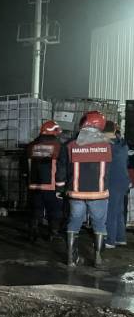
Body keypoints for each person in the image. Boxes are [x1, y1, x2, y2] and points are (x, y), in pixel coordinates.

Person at [61, 111, 112, 268]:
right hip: (99, 194)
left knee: (74, 222)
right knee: (99, 225)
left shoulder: (69, 145)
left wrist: (59, 188)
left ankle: (71, 259)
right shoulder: (107, 146)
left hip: (76, 194)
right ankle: (97, 258)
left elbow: (62, 170)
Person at [26, 120, 67, 242]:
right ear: (54, 132)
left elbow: (26, 166)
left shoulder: (31, 145)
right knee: (54, 210)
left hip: (34, 185)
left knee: (36, 209)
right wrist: (61, 186)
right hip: (52, 185)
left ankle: (33, 232)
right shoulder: (59, 146)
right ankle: (53, 233)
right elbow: (62, 167)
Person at [104, 121, 129, 248]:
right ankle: (120, 237)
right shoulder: (123, 144)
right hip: (123, 181)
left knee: (110, 211)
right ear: (115, 130)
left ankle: (109, 240)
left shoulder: (107, 146)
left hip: (112, 181)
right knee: (119, 211)